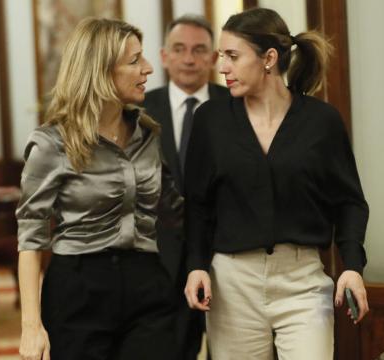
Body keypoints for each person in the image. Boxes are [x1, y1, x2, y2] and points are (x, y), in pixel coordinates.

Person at [183, 7, 370, 360]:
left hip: (302, 283)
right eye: (222, 56)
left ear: (269, 58)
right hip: (232, 284)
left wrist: (352, 267)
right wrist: (196, 264)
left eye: (233, 56)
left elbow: (349, 202)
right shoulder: (210, 120)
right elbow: (197, 203)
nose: (222, 67)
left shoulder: (321, 121)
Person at [16, 17, 182, 360]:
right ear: (100, 71)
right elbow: (30, 237)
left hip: (147, 283)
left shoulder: (148, 134)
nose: (148, 68)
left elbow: (176, 211)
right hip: (78, 289)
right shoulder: (52, 144)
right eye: (134, 61)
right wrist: (31, 326)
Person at [142, 14, 229, 360]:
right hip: (160, 260)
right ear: (164, 56)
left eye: (199, 50)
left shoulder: (235, 105)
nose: (189, 59)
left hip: (226, 254)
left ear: (213, 57)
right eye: (179, 49)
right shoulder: (138, 110)